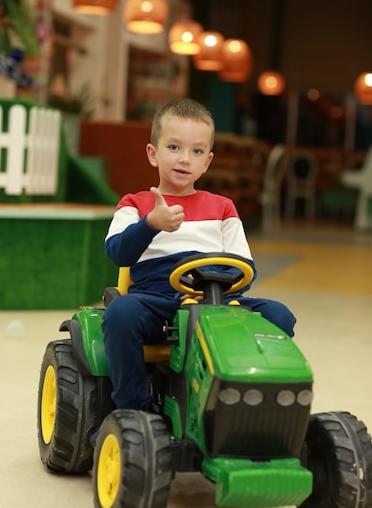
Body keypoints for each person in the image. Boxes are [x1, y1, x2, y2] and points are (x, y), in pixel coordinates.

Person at [103, 98, 296, 411]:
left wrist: (213, 285)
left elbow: (244, 266)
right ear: (153, 154)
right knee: (120, 314)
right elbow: (116, 252)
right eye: (174, 147)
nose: (185, 159)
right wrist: (150, 224)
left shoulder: (223, 208)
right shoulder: (136, 203)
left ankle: (253, 399)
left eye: (196, 151)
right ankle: (133, 407)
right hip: (157, 301)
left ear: (207, 161)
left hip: (216, 297)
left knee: (279, 316)